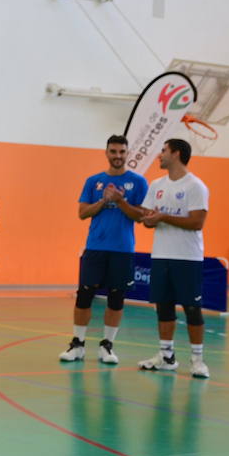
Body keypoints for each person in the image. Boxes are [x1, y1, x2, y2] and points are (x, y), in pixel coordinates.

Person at [58, 135, 148, 365]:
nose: (117, 156)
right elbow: (82, 213)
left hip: (123, 248)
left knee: (116, 298)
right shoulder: (93, 181)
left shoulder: (138, 182)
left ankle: (107, 346)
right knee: (84, 296)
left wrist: (120, 201)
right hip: (95, 247)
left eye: (121, 152)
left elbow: (141, 216)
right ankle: (77, 344)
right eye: (113, 151)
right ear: (106, 153)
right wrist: (103, 200)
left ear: (127, 154)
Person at [137, 138, 211, 378]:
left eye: (164, 151)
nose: (160, 155)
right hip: (161, 255)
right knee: (164, 307)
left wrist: (162, 218)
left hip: (187, 258)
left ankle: (198, 360)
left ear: (176, 154)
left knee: (192, 308)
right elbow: (149, 218)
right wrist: (149, 219)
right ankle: (166, 357)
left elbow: (197, 222)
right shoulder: (156, 184)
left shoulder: (195, 186)